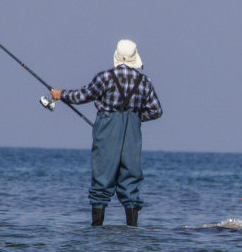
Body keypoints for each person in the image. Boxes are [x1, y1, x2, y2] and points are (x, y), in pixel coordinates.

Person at [50, 39, 163, 227]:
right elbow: (156, 111)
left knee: (102, 179)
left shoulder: (105, 77)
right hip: (132, 132)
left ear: (117, 57)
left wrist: (60, 94)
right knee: (130, 180)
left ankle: (96, 230)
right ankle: (132, 230)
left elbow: (82, 96)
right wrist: (134, 118)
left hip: (107, 127)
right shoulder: (145, 82)